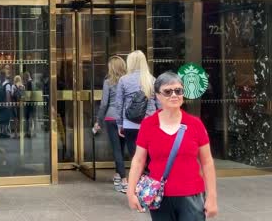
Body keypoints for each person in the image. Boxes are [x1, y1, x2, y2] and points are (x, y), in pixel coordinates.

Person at [127, 72, 218, 220]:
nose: (174, 95)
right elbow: (138, 161)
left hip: (191, 195)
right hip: (159, 196)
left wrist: (212, 197)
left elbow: (207, 162)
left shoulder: (195, 124)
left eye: (178, 90)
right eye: (168, 91)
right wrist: (131, 193)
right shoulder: (148, 125)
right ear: (158, 95)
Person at [115, 50, 157, 192]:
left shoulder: (124, 80)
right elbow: (159, 104)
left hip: (130, 124)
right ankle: (150, 190)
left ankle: (138, 190)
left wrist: (119, 124)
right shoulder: (152, 80)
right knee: (150, 159)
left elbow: (119, 104)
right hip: (150, 125)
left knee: (136, 159)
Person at [93, 56, 127, 192]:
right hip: (126, 118)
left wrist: (98, 121)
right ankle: (118, 174)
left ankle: (124, 180)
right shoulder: (127, 81)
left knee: (116, 149)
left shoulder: (108, 82)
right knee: (122, 147)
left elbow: (104, 104)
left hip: (111, 118)